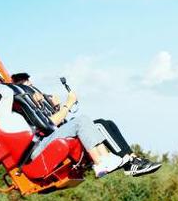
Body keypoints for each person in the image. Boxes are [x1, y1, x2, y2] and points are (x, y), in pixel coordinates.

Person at [10, 72, 161, 177]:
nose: (34, 90)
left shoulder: (35, 106)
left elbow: (54, 123)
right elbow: (49, 124)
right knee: (87, 122)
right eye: (28, 86)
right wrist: (67, 105)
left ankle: (133, 159)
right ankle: (120, 163)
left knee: (104, 123)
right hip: (40, 146)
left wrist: (56, 106)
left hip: (48, 137)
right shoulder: (23, 108)